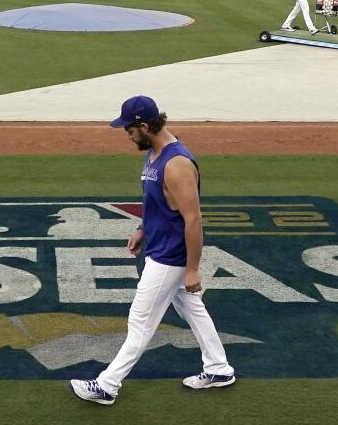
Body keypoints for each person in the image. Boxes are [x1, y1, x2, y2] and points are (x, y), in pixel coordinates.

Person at [69, 95, 235, 406]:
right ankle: (219, 368)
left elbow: (193, 219)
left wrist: (193, 268)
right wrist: (143, 229)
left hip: (170, 257)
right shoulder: (156, 153)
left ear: (145, 126)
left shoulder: (176, 164)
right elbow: (158, 203)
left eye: (129, 130)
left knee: (140, 321)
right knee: (192, 309)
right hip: (160, 247)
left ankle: (107, 385)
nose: (127, 135)